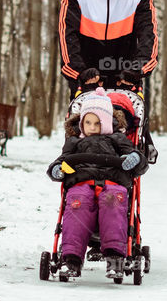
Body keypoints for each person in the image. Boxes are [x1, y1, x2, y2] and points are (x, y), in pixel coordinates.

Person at [47, 88, 147, 279]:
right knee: (77, 203)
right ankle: (71, 259)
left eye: (98, 122)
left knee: (113, 201)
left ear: (107, 122)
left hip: (113, 182)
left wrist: (134, 158)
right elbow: (61, 160)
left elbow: (139, 160)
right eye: (88, 122)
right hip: (81, 184)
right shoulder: (75, 142)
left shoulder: (118, 139)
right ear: (82, 122)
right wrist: (57, 169)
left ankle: (115, 258)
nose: (92, 127)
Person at [58, 0, 158, 95]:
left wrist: (136, 70)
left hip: (126, 78)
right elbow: (67, 39)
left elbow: (148, 40)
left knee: (128, 119)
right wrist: (80, 71)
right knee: (88, 119)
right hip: (87, 79)